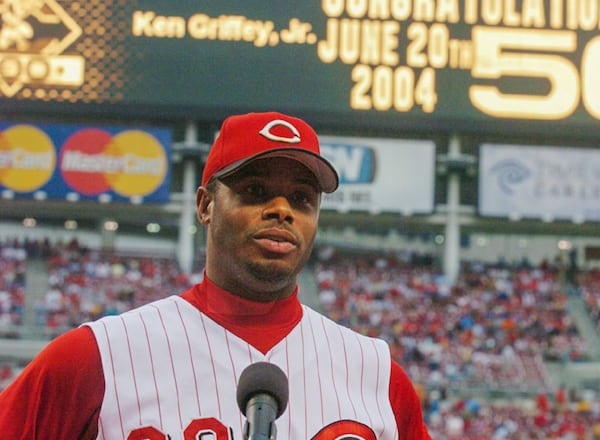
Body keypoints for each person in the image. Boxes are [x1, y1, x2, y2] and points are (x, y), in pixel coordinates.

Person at [0, 112, 432, 439]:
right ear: (206, 206)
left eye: (302, 199)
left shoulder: (378, 376)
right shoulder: (97, 356)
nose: (282, 210)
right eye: (255, 192)